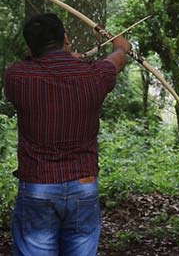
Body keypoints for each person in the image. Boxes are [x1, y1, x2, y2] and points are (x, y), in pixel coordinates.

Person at [5, 13, 131, 256]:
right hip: (83, 185)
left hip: (37, 185)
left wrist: (63, 61)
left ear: (31, 46)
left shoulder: (17, 76)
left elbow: (38, 69)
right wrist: (120, 46)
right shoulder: (94, 75)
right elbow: (116, 60)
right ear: (66, 37)